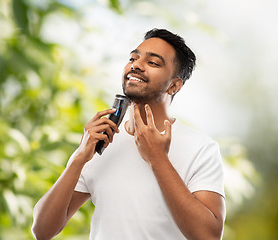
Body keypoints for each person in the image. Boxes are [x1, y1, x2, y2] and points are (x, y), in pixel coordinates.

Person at [32, 28, 226, 240]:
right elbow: (42, 231)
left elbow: (208, 236)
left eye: (153, 63)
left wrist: (158, 159)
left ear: (174, 85)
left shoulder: (201, 148)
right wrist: (79, 158)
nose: (136, 65)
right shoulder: (101, 142)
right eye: (133, 58)